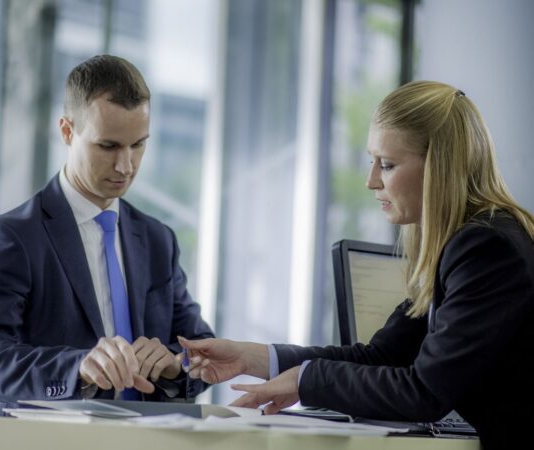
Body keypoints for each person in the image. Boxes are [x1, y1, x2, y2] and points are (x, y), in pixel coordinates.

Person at [180, 81, 534, 450]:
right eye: (372, 161)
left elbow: (426, 392)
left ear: (440, 167)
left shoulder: (487, 247)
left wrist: (306, 380)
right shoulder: (466, 242)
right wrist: (253, 357)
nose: (371, 180)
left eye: (388, 164)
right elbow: (384, 356)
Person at [0, 54, 215, 415]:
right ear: (66, 131)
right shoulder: (11, 237)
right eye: (108, 146)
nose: (126, 165)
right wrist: (75, 367)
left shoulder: (158, 240)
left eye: (138, 144)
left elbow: (203, 349)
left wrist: (176, 362)